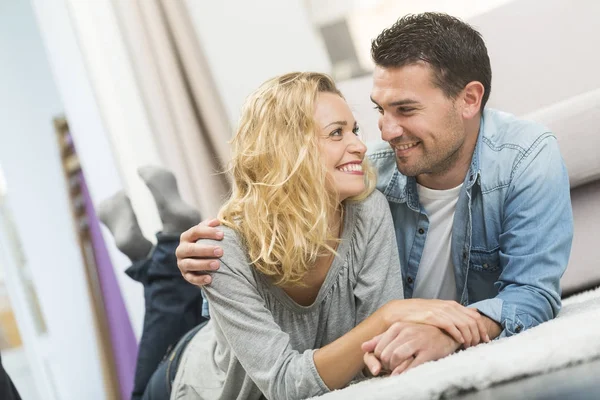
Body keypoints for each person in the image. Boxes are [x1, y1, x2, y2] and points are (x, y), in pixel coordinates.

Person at [175, 12, 574, 376]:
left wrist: (452, 334)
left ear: (469, 99)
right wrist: (205, 259)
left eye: (405, 110)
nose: (382, 133)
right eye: (380, 110)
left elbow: (534, 293)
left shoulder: (526, 158)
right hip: (213, 364)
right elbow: (277, 202)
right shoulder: (370, 173)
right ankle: (161, 253)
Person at [105, 72, 488, 400]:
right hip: (194, 381)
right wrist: (389, 316)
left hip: (231, 339)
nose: (359, 144)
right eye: (336, 133)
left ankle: (152, 249)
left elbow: (375, 357)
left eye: (354, 129)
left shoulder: (367, 209)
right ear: (289, 150)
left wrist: (388, 335)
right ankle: (156, 251)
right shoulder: (226, 248)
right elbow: (285, 385)